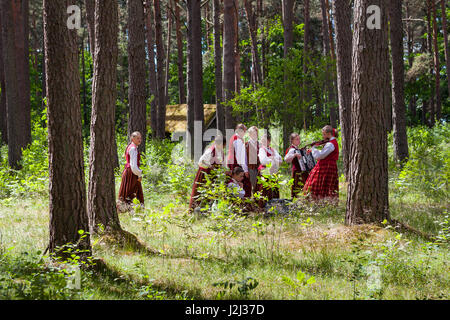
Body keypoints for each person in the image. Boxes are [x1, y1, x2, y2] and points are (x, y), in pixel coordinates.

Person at [189, 135, 226, 212]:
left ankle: (207, 210)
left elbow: (221, 163)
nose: (224, 147)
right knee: (200, 192)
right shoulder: (210, 151)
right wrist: (210, 166)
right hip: (204, 174)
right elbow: (201, 162)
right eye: (223, 145)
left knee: (212, 193)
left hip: (213, 175)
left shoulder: (220, 151)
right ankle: (194, 210)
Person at [303, 125, 339, 201]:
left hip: (326, 167)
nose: (323, 137)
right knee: (325, 186)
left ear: (329, 133)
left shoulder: (330, 144)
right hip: (328, 166)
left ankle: (319, 202)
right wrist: (313, 150)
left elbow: (320, 156)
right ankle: (323, 202)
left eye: (324, 134)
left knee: (316, 185)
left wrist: (313, 148)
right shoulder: (331, 143)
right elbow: (323, 154)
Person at [118, 131, 144, 209]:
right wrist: (139, 174)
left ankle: (126, 208)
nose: (140, 140)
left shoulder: (131, 146)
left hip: (129, 171)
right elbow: (133, 165)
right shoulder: (133, 148)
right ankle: (132, 209)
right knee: (132, 191)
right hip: (132, 172)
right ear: (132, 139)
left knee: (129, 190)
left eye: (140, 138)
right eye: (137, 138)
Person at [257, 134, 283, 207]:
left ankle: (274, 206)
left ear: (269, 141)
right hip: (265, 171)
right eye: (262, 140)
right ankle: (263, 207)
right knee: (264, 189)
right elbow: (263, 160)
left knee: (274, 188)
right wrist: (273, 159)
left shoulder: (273, 149)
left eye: (265, 140)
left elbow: (280, 159)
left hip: (273, 172)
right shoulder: (261, 149)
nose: (263, 142)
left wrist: (273, 158)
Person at [227, 123, 252, 197]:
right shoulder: (238, 140)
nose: (245, 134)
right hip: (235, 165)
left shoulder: (234, 138)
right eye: (245, 131)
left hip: (232, 163)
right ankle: (244, 203)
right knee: (245, 184)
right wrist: (245, 170)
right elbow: (240, 158)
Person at [285, 133, 310, 199]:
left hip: (302, 171)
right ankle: (296, 201)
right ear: (292, 140)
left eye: (299, 139)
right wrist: (294, 155)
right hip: (297, 172)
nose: (299, 141)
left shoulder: (299, 149)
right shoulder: (292, 149)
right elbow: (286, 159)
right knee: (297, 187)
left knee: (304, 186)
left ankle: (304, 201)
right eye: (297, 139)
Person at [245, 126, 260, 196]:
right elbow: (244, 158)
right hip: (250, 168)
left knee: (258, 186)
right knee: (250, 186)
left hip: (258, 168)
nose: (255, 135)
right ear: (249, 134)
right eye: (253, 134)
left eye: (256, 134)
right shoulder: (246, 145)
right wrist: (245, 170)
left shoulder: (259, 144)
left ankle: (257, 202)